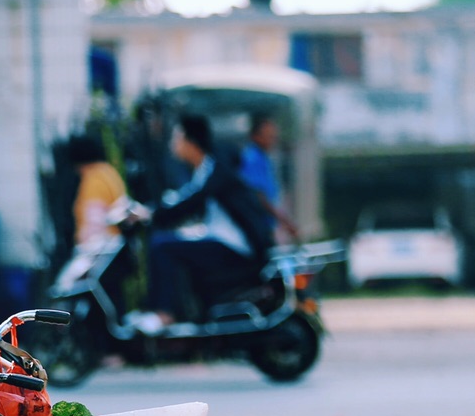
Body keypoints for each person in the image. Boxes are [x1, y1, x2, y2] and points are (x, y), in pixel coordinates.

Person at [132, 112, 276, 333]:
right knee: (169, 243)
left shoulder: (214, 170)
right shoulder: (206, 169)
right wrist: (151, 210)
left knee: (162, 246)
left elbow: (190, 201)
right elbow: (184, 197)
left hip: (236, 247)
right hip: (224, 240)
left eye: (177, 138)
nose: (174, 144)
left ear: (191, 142)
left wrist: (151, 215)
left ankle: (164, 313)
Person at [239, 112, 300, 241]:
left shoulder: (263, 158)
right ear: (255, 137)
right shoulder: (252, 158)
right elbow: (259, 196)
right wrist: (285, 221)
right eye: (269, 136)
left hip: (265, 225)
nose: (273, 141)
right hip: (256, 225)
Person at [67, 135, 127, 249]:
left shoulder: (94, 180)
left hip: (103, 248)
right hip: (116, 243)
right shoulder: (108, 171)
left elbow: (94, 222)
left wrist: (84, 251)